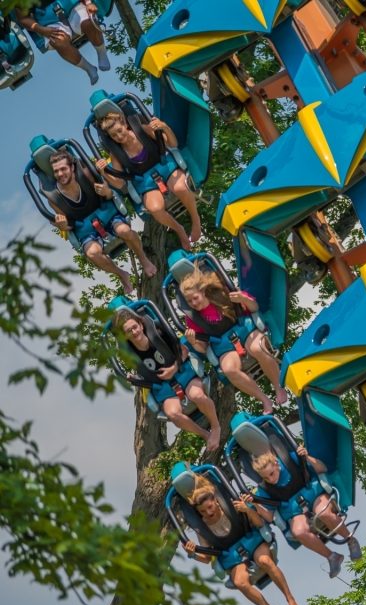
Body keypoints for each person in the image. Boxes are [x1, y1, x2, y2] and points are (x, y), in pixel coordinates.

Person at [182, 476, 298, 605]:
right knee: (240, 582)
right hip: (233, 557)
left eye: (209, 507)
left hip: (253, 542)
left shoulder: (231, 506)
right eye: (202, 511)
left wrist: (248, 509)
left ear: (216, 501)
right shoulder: (203, 527)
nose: (208, 512)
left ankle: (289, 597)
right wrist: (193, 554)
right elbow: (207, 556)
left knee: (265, 561)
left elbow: (258, 523)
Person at [179, 266, 288, 414]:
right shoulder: (191, 318)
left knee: (257, 348)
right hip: (223, 344)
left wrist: (244, 299)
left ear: (203, 292)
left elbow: (254, 307)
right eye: (189, 301)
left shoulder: (222, 293)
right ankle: (264, 400)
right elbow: (203, 348)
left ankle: (278, 386)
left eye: (195, 298)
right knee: (229, 370)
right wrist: (193, 342)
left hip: (243, 329)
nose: (194, 303)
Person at [45, 150, 156, 294]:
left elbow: (110, 194)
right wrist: (62, 226)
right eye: (56, 171)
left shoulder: (87, 176)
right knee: (92, 253)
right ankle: (122, 274)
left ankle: (143, 259)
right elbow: (67, 224)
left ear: (72, 167)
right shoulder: (54, 199)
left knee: (124, 231)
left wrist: (106, 192)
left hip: (109, 215)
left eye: (63, 169)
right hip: (87, 230)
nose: (60, 174)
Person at [248, 444, 362, 578]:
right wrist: (255, 504)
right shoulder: (264, 488)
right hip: (295, 511)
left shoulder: (290, 460)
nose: (271, 479)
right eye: (266, 478)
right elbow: (269, 517)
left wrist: (307, 457)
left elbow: (322, 469)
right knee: (298, 532)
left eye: (272, 474)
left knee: (323, 513)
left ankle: (351, 540)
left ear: (276, 464)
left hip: (314, 496)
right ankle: (333, 557)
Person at [115, 307, 221, 451]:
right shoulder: (130, 353)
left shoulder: (158, 334)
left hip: (183, 374)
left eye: (135, 327)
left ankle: (216, 427)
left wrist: (174, 368)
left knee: (197, 395)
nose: (134, 332)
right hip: (164, 388)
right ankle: (204, 434)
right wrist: (135, 378)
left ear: (140, 325)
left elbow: (184, 350)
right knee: (172, 414)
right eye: (129, 331)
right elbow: (145, 372)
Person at [94, 111, 202, 249]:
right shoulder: (116, 153)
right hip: (144, 180)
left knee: (181, 188)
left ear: (125, 124)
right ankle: (179, 229)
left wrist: (164, 127)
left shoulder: (143, 130)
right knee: (155, 209)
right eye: (114, 135)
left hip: (165, 167)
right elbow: (120, 183)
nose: (119, 136)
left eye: (120, 131)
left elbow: (172, 143)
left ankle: (195, 219)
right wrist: (104, 173)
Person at [15, 0, 110, 85]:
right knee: (58, 42)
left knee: (89, 21)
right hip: (49, 19)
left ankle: (102, 53)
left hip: (73, 6)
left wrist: (89, 3)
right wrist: (42, 30)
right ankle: (89, 68)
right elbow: (23, 18)